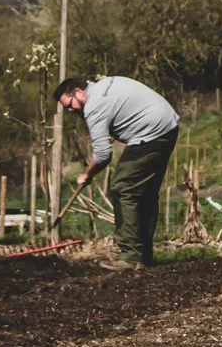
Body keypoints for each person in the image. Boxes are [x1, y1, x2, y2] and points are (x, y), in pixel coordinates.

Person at [57, 74, 182, 267]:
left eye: (69, 105)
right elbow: (124, 108)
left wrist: (87, 174)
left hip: (151, 133)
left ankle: (131, 256)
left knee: (123, 189)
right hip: (168, 126)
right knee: (145, 193)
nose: (70, 110)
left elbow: (103, 155)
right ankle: (144, 256)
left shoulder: (93, 107)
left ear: (79, 92)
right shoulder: (105, 84)